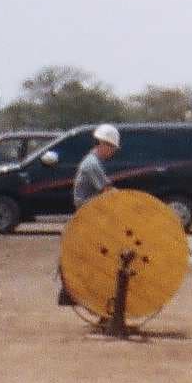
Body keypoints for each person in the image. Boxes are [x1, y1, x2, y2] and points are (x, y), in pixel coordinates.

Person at [57, 124, 120, 308]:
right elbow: (107, 190)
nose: (112, 152)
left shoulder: (93, 162)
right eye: (111, 147)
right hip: (89, 213)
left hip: (91, 212)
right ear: (102, 144)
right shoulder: (92, 164)